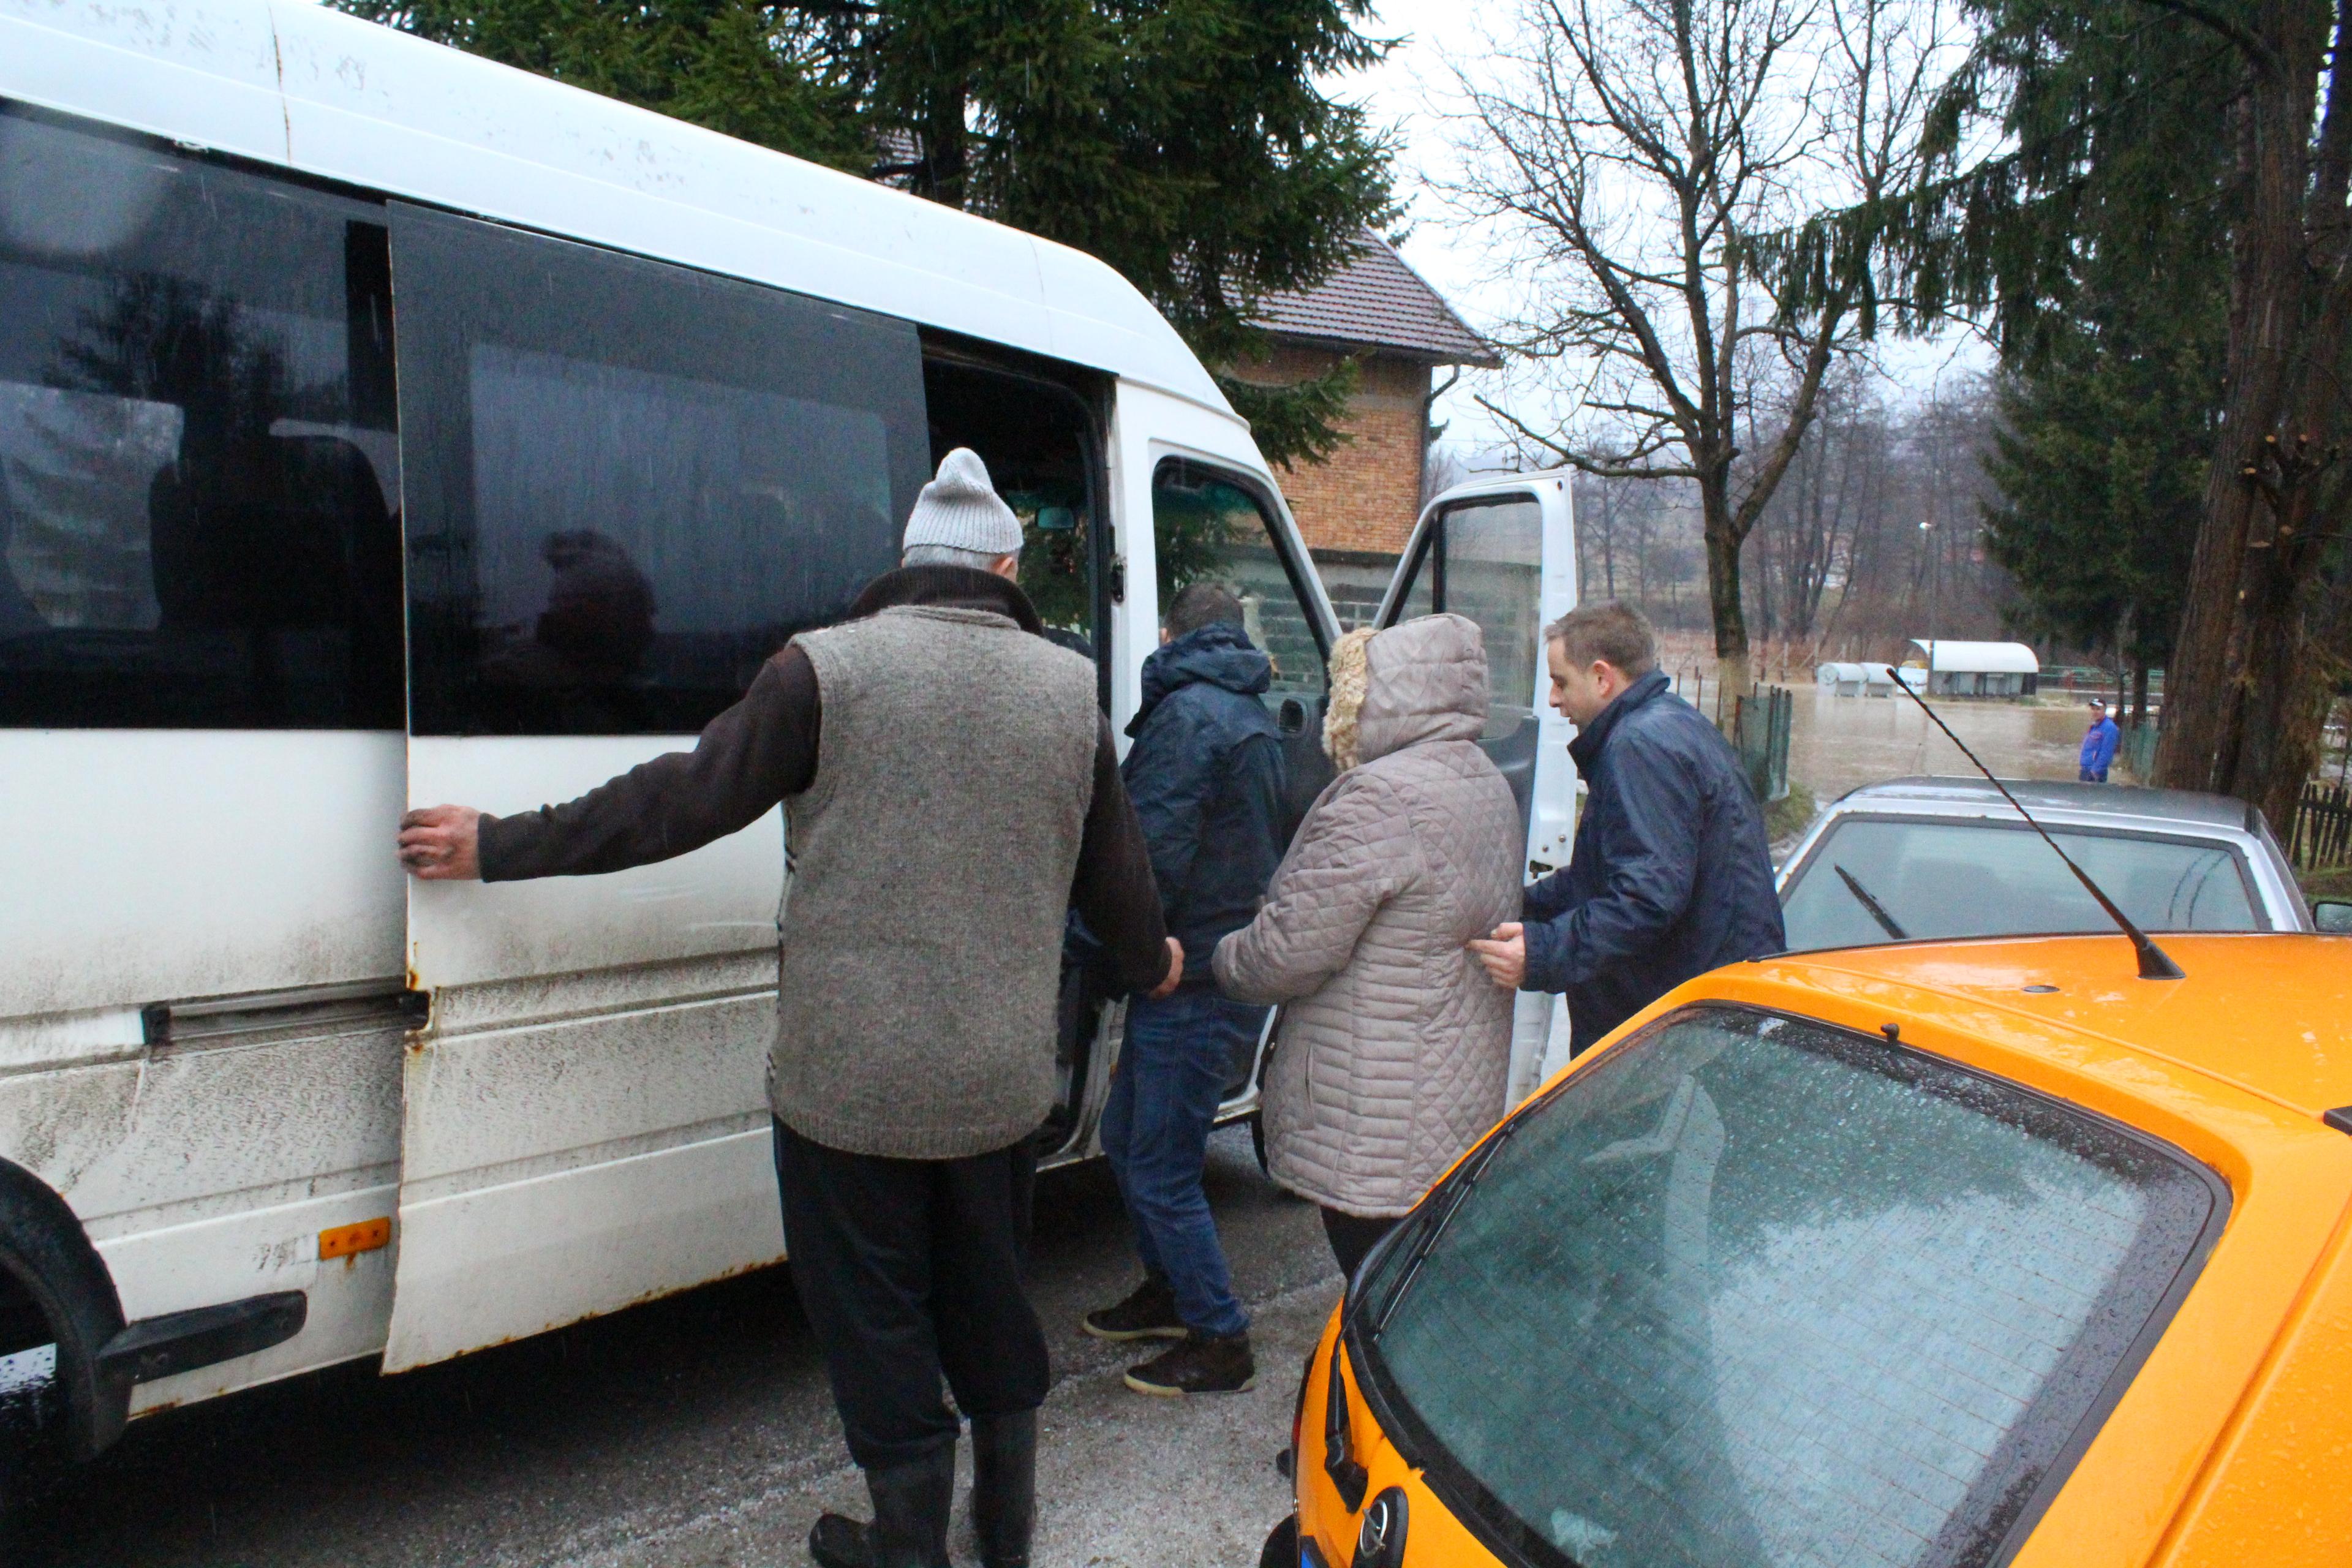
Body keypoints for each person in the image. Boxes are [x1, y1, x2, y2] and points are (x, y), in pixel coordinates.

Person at [397, 448, 1180, 1568]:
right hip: (996, 1090)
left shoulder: (824, 670)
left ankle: (907, 1541)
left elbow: (677, 803)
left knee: (878, 1319)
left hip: (846, 1090)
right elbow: (1120, 885)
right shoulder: (1069, 692)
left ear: (908, 565)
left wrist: (500, 845)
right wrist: (1154, 961)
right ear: (1005, 566)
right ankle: (1004, 1532)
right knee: (989, 1304)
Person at [1213, 615, 1523, 1279]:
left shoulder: (1379, 797)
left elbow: (1290, 949)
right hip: (1446, 1098)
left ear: (1382, 696)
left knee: (1373, 1296)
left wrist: (1222, 956)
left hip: (1374, 1114)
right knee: (1419, 1297)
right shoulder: (1483, 779)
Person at [1084, 582, 1286, 1397]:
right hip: (1210, 964)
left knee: (1159, 1163)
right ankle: (1170, 1290)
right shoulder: (1250, 714)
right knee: (1129, 1140)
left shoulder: (1187, 717)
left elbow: (1149, 859)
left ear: (1171, 634)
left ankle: (1219, 1335)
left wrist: (1104, 955)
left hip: (1186, 974)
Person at [1468, 601, 1783, 1058]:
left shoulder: (1640, 747)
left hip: (1676, 1028)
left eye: (1561, 683)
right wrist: (1516, 909)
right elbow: (1603, 878)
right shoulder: (1670, 725)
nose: (1554, 700)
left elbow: (1646, 899)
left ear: (1601, 677)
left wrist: (1542, 952)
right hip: (1701, 1010)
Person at [2081, 699, 2121, 783]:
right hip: (2085, 769)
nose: (2095, 712)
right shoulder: (2094, 726)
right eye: (2093, 709)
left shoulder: (2109, 728)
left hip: (2095, 773)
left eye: (2098, 709)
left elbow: (2107, 753)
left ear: (2105, 710)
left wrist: (2095, 772)